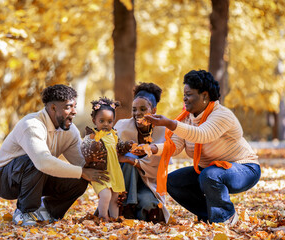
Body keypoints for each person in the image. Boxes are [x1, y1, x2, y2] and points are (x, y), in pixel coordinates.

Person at [145, 70, 261, 225]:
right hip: (208, 171)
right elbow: (176, 145)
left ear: (205, 96)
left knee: (210, 175)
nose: (184, 98)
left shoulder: (222, 115)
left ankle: (226, 217)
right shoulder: (186, 118)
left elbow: (202, 134)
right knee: (173, 181)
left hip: (244, 169)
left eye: (189, 94)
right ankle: (211, 217)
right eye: (184, 94)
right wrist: (150, 148)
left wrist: (170, 124)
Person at [0, 84, 109, 226]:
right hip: (3, 179)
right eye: (68, 107)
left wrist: (108, 196)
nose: (74, 111)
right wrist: (82, 171)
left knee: (80, 179)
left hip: (37, 177)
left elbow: (83, 165)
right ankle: (25, 212)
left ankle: (48, 212)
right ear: (53, 108)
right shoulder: (32, 125)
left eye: (75, 106)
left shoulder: (70, 131)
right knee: (37, 160)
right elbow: (42, 162)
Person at [114, 82, 171, 223]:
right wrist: (128, 159)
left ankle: (134, 210)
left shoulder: (164, 131)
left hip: (149, 183)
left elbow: (160, 169)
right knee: (128, 159)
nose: (137, 113)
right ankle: (126, 205)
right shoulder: (122, 126)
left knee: (149, 205)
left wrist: (133, 161)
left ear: (154, 110)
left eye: (143, 109)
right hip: (124, 182)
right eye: (134, 109)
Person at [81, 97, 132, 221]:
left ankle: (114, 219)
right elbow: (85, 149)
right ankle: (103, 217)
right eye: (102, 120)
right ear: (94, 120)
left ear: (113, 122)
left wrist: (126, 146)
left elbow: (119, 147)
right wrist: (94, 147)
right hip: (100, 172)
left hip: (114, 172)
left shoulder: (113, 134)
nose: (105, 124)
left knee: (114, 197)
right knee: (105, 195)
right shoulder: (92, 135)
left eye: (109, 121)